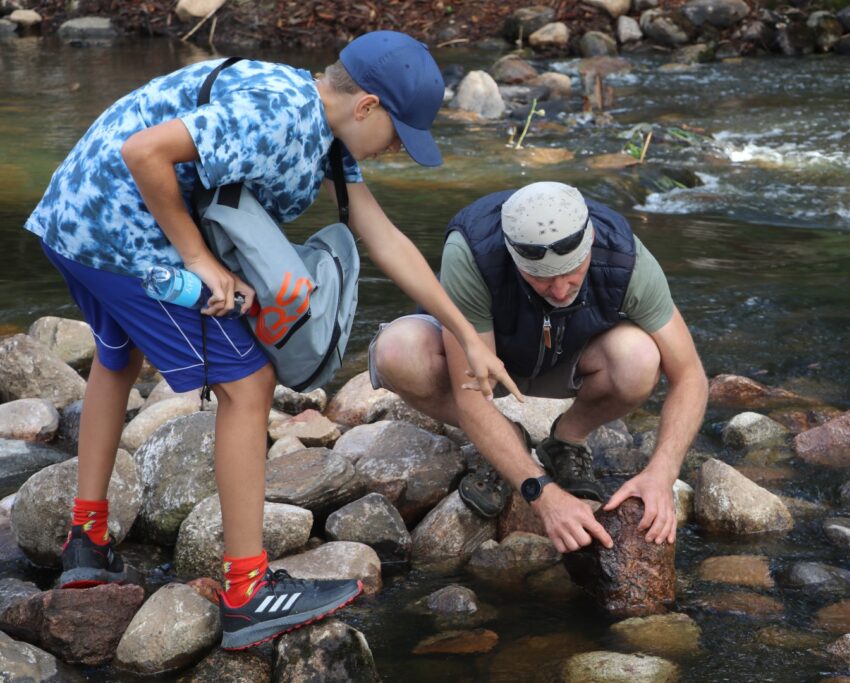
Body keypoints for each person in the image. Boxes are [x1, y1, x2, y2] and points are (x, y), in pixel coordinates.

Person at [24, 31, 521, 650]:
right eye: (398, 134)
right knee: (249, 382)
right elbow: (145, 151)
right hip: (124, 236)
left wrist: (463, 333)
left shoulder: (321, 123)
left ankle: (87, 542)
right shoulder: (280, 116)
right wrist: (200, 260)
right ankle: (248, 591)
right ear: (367, 105)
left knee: (117, 356)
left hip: (73, 216)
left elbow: (383, 236)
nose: (397, 149)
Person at [370, 181, 708, 554]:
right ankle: (507, 442)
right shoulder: (473, 252)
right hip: (487, 361)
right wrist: (540, 492)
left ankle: (566, 440)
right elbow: (470, 397)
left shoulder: (625, 255)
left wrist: (662, 472)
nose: (561, 290)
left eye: (571, 271)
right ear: (513, 255)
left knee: (641, 357)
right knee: (397, 351)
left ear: (590, 240)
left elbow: (690, 375)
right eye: (542, 276)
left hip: (569, 356)